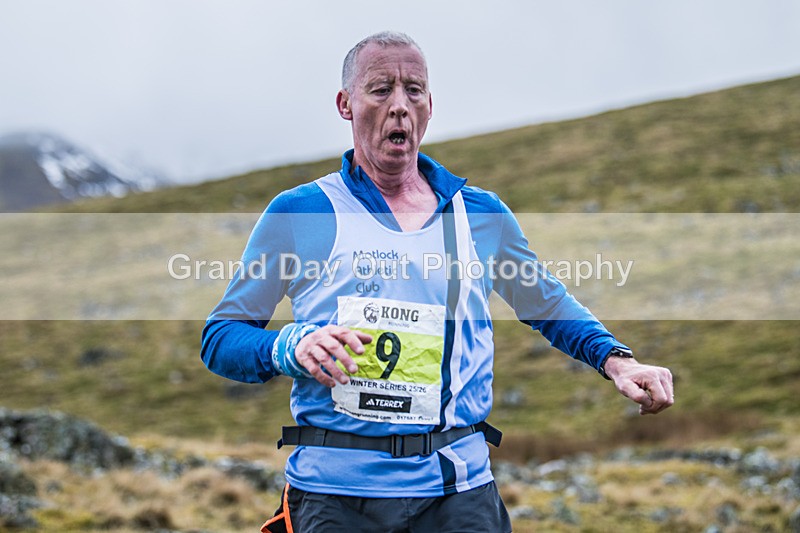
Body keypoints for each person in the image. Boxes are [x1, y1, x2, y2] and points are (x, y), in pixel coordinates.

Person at [201, 31, 674, 532]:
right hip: (336, 495)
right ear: (345, 104)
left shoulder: (481, 215)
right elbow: (221, 338)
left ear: (430, 107)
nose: (400, 106)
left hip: (459, 494)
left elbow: (547, 303)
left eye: (415, 90)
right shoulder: (302, 212)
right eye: (381, 89)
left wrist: (617, 361)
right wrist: (291, 346)